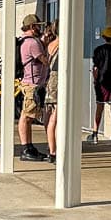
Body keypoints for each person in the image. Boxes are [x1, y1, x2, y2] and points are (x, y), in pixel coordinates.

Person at [17, 14, 48, 162]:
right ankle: (26, 148)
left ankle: (29, 146)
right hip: (32, 85)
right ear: (31, 27)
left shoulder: (28, 41)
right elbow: (45, 60)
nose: (39, 28)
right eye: (37, 26)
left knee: (28, 117)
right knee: (27, 116)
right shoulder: (32, 43)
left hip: (31, 83)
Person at [43, 21, 60, 164]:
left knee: (51, 118)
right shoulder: (63, 45)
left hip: (51, 81)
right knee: (56, 118)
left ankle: (52, 149)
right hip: (59, 81)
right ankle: (55, 151)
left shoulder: (51, 45)